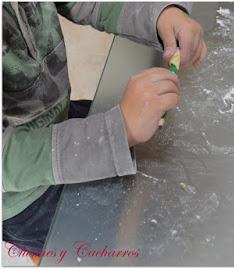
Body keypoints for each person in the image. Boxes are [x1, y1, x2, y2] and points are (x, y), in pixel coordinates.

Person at [2, 2, 207, 261]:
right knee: (142, 242)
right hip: (26, 197)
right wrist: (117, 131)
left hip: (58, 120)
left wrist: (159, 15)